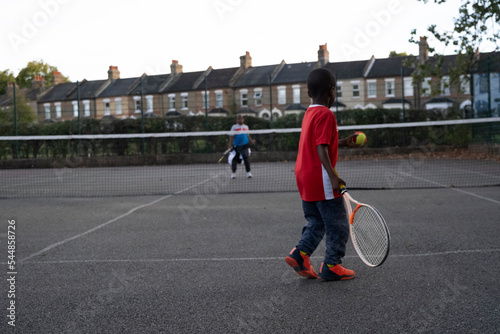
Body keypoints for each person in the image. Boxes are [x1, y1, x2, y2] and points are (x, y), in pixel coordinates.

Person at [285, 68, 360, 281]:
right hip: (322, 178)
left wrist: (343, 141)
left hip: (304, 177)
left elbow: (321, 141)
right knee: (337, 224)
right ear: (332, 91)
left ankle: (300, 254)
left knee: (316, 221)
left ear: (309, 93)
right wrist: (333, 176)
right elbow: (321, 147)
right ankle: (332, 265)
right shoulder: (327, 114)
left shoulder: (310, 113)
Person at [228, 115, 255, 179]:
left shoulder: (246, 127)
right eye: (238, 119)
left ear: (243, 119)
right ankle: (233, 173)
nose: (240, 120)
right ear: (237, 120)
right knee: (235, 159)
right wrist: (230, 145)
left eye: (241, 119)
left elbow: (247, 135)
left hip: (245, 145)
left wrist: (251, 140)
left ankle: (248, 173)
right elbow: (231, 136)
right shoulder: (234, 127)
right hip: (237, 146)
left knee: (246, 159)